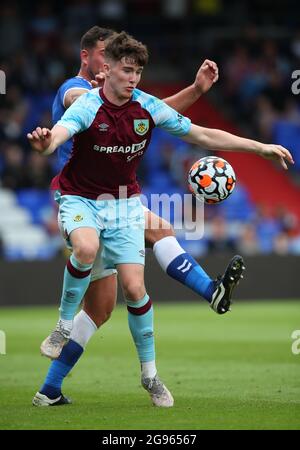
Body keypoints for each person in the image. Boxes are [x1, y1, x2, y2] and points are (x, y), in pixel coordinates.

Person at [28, 31, 292, 408]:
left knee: (117, 298)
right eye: (120, 66)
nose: (130, 76)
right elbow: (66, 122)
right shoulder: (80, 94)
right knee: (92, 253)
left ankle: (65, 387)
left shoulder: (141, 103)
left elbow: (190, 128)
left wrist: (259, 146)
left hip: (121, 202)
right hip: (80, 197)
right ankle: (61, 327)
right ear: (97, 61)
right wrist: (46, 142)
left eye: (136, 71)